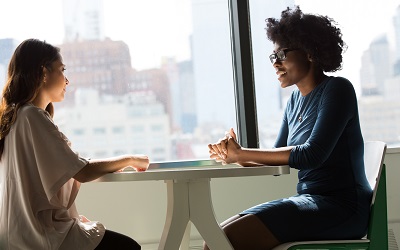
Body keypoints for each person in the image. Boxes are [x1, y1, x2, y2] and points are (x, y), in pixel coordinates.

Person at [206, 6, 372, 250]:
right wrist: (235, 156)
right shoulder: (294, 102)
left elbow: (311, 154)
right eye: (273, 57)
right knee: (215, 241)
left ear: (310, 53)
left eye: (281, 54)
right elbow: (279, 160)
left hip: (342, 208)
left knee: (223, 244)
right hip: (310, 202)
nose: (275, 63)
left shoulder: (338, 90)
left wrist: (242, 153)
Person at [0, 39, 150, 250]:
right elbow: (82, 171)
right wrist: (131, 159)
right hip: (38, 237)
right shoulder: (31, 117)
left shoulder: (15, 117)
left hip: (18, 234)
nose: (67, 80)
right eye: (62, 70)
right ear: (44, 73)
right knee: (128, 247)